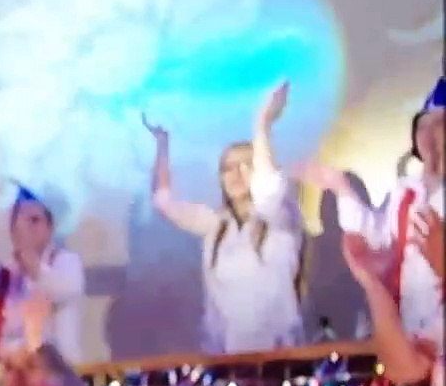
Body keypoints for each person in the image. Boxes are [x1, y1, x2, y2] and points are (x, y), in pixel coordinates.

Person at [143, 83, 307, 353]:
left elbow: (270, 190)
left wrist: (262, 124)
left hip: (280, 356)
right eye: (228, 168)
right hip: (227, 357)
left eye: (246, 165)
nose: (237, 174)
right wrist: (163, 144)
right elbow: (164, 202)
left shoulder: (280, 218)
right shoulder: (216, 226)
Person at [308, 76, 444, 345]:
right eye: (422, 126)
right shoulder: (405, 193)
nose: (428, 134)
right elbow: (377, 239)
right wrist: (342, 189)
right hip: (409, 333)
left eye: (439, 125)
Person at [0, 185, 89, 363]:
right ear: (12, 230)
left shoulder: (65, 261)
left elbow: (64, 290)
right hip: (10, 372)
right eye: (21, 222)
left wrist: (30, 259)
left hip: (56, 372)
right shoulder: (3, 276)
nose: (27, 228)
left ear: (50, 228)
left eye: (34, 221)